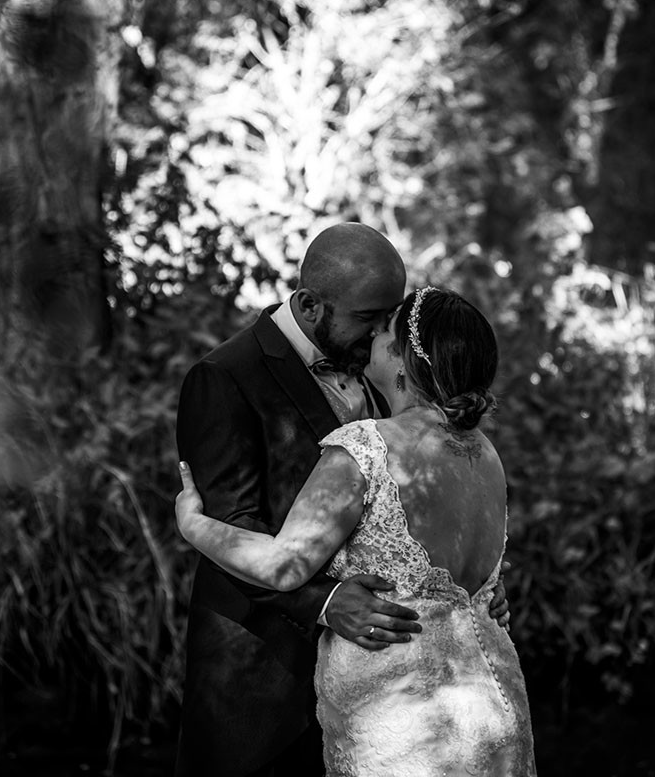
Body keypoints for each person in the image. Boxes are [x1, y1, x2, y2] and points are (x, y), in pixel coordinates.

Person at [173, 223, 510, 776]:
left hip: (392, 689)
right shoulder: (222, 378)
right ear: (309, 306)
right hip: (266, 681)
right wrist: (327, 603)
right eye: (369, 318)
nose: (384, 331)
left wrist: (477, 587)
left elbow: (419, 504)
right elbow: (232, 525)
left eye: (390, 319)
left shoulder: (389, 368)